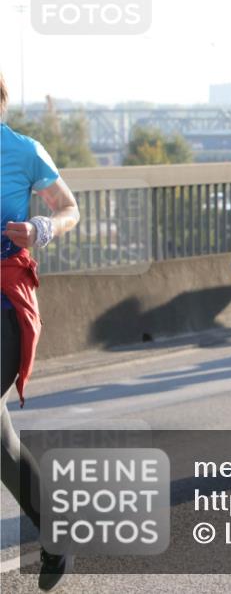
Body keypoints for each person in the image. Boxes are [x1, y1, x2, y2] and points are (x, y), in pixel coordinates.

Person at [1, 72, 81, 590]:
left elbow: (70, 208)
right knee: (2, 445)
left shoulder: (24, 151)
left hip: (3, 301)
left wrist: (41, 228)